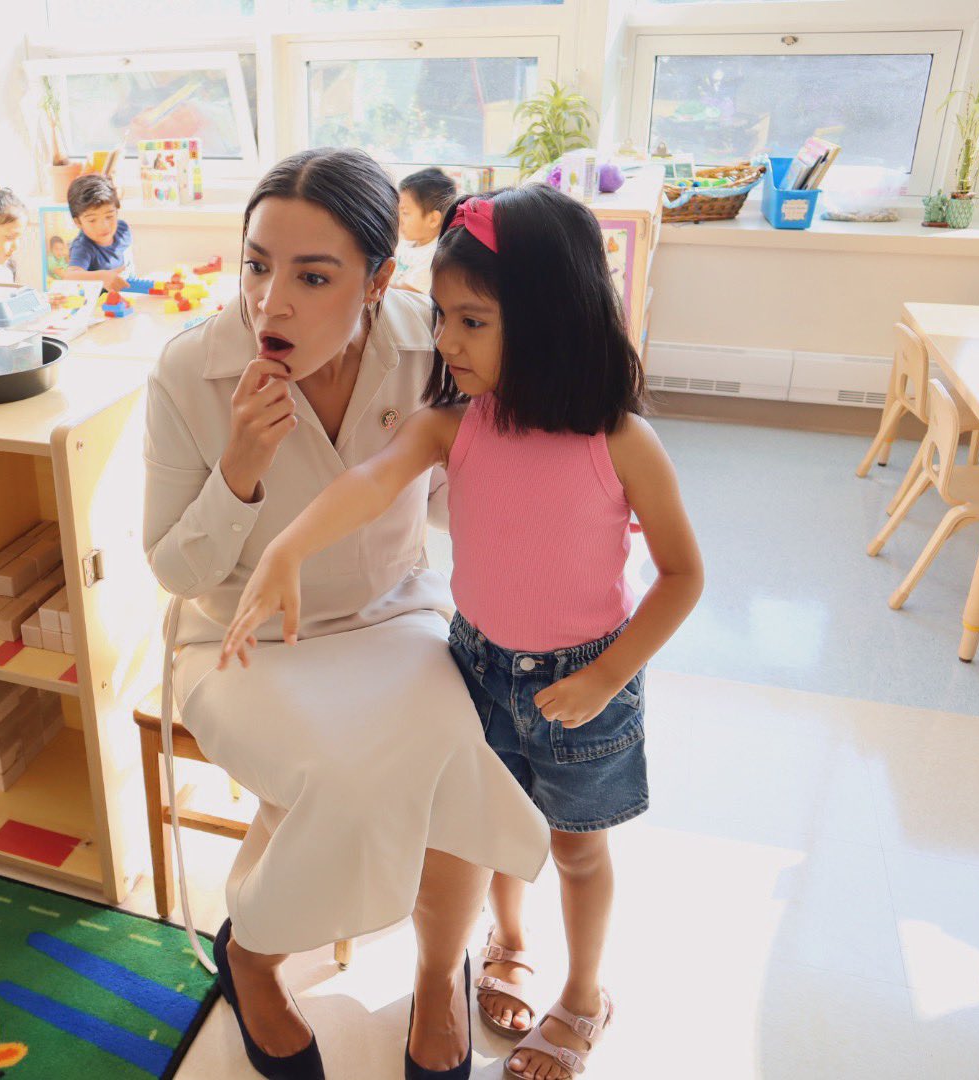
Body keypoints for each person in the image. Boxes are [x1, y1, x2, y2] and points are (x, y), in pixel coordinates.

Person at [220, 183, 704, 1079]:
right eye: (442, 317)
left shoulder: (621, 441)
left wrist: (605, 678)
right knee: (490, 831)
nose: (444, 341)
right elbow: (369, 482)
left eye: (471, 322)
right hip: (478, 667)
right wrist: (286, 546)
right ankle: (506, 944)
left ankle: (583, 995)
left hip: (588, 679)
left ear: (549, 320)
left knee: (578, 850)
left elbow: (683, 577)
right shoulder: (454, 425)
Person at [145, 148, 550, 1080]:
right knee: (344, 776)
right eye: (256, 265)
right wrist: (239, 471)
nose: (270, 303)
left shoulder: (433, 346)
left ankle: (438, 979)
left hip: (393, 614)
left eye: (313, 276)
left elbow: (457, 499)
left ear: (378, 280)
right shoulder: (191, 370)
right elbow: (173, 570)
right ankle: (254, 956)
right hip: (241, 637)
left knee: (459, 753)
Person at [59, 174, 133, 290]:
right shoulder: (83, 247)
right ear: (78, 222)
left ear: (116, 211)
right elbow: (70, 276)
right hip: (100, 301)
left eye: (109, 216)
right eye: (92, 220)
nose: (103, 226)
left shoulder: (123, 229)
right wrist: (102, 277)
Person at [394, 167, 457, 295]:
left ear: (433, 219)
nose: (399, 218)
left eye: (405, 212)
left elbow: (405, 292)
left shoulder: (434, 256)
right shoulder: (408, 242)